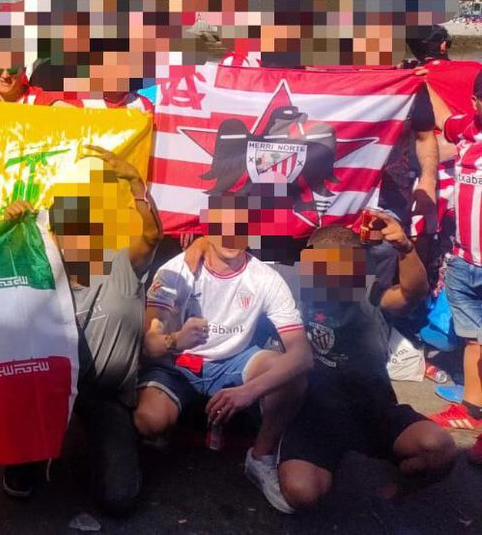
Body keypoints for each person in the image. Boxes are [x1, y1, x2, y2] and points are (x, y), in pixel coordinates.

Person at [1, 145, 162, 515]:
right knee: (20, 475)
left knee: (119, 499)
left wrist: (136, 184)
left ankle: (103, 440)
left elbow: (153, 234)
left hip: (105, 396)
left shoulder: (124, 264)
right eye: (66, 229)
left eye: (85, 228)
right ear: (53, 235)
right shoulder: (39, 274)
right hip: (49, 390)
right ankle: (28, 453)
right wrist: (16, 228)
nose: (77, 238)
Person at [134, 193, 313, 514]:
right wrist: (176, 338)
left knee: (291, 376)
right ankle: (166, 431)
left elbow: (302, 355)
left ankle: (260, 457)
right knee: (150, 421)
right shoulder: (177, 269)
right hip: (178, 363)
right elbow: (150, 345)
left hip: (233, 363)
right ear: (208, 225)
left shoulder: (265, 278)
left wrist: (249, 392)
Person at [278, 218, 457, 510]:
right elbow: (243, 264)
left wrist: (405, 248)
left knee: (439, 448)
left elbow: (413, 292)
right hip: (315, 417)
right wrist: (201, 244)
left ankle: (399, 484)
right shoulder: (291, 285)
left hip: (373, 410)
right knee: (301, 492)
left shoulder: (371, 294)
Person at [428, 69, 482, 461]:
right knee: (473, 338)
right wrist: (417, 79)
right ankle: (472, 410)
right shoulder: (468, 128)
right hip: (463, 260)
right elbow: (444, 119)